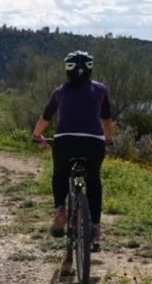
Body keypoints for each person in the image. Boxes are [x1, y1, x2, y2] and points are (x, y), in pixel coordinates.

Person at [31, 51, 114, 251]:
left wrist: (36, 136)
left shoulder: (60, 91)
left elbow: (46, 117)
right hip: (93, 143)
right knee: (93, 180)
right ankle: (95, 228)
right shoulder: (100, 90)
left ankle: (60, 208)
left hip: (64, 142)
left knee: (60, 172)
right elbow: (106, 119)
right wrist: (108, 139)